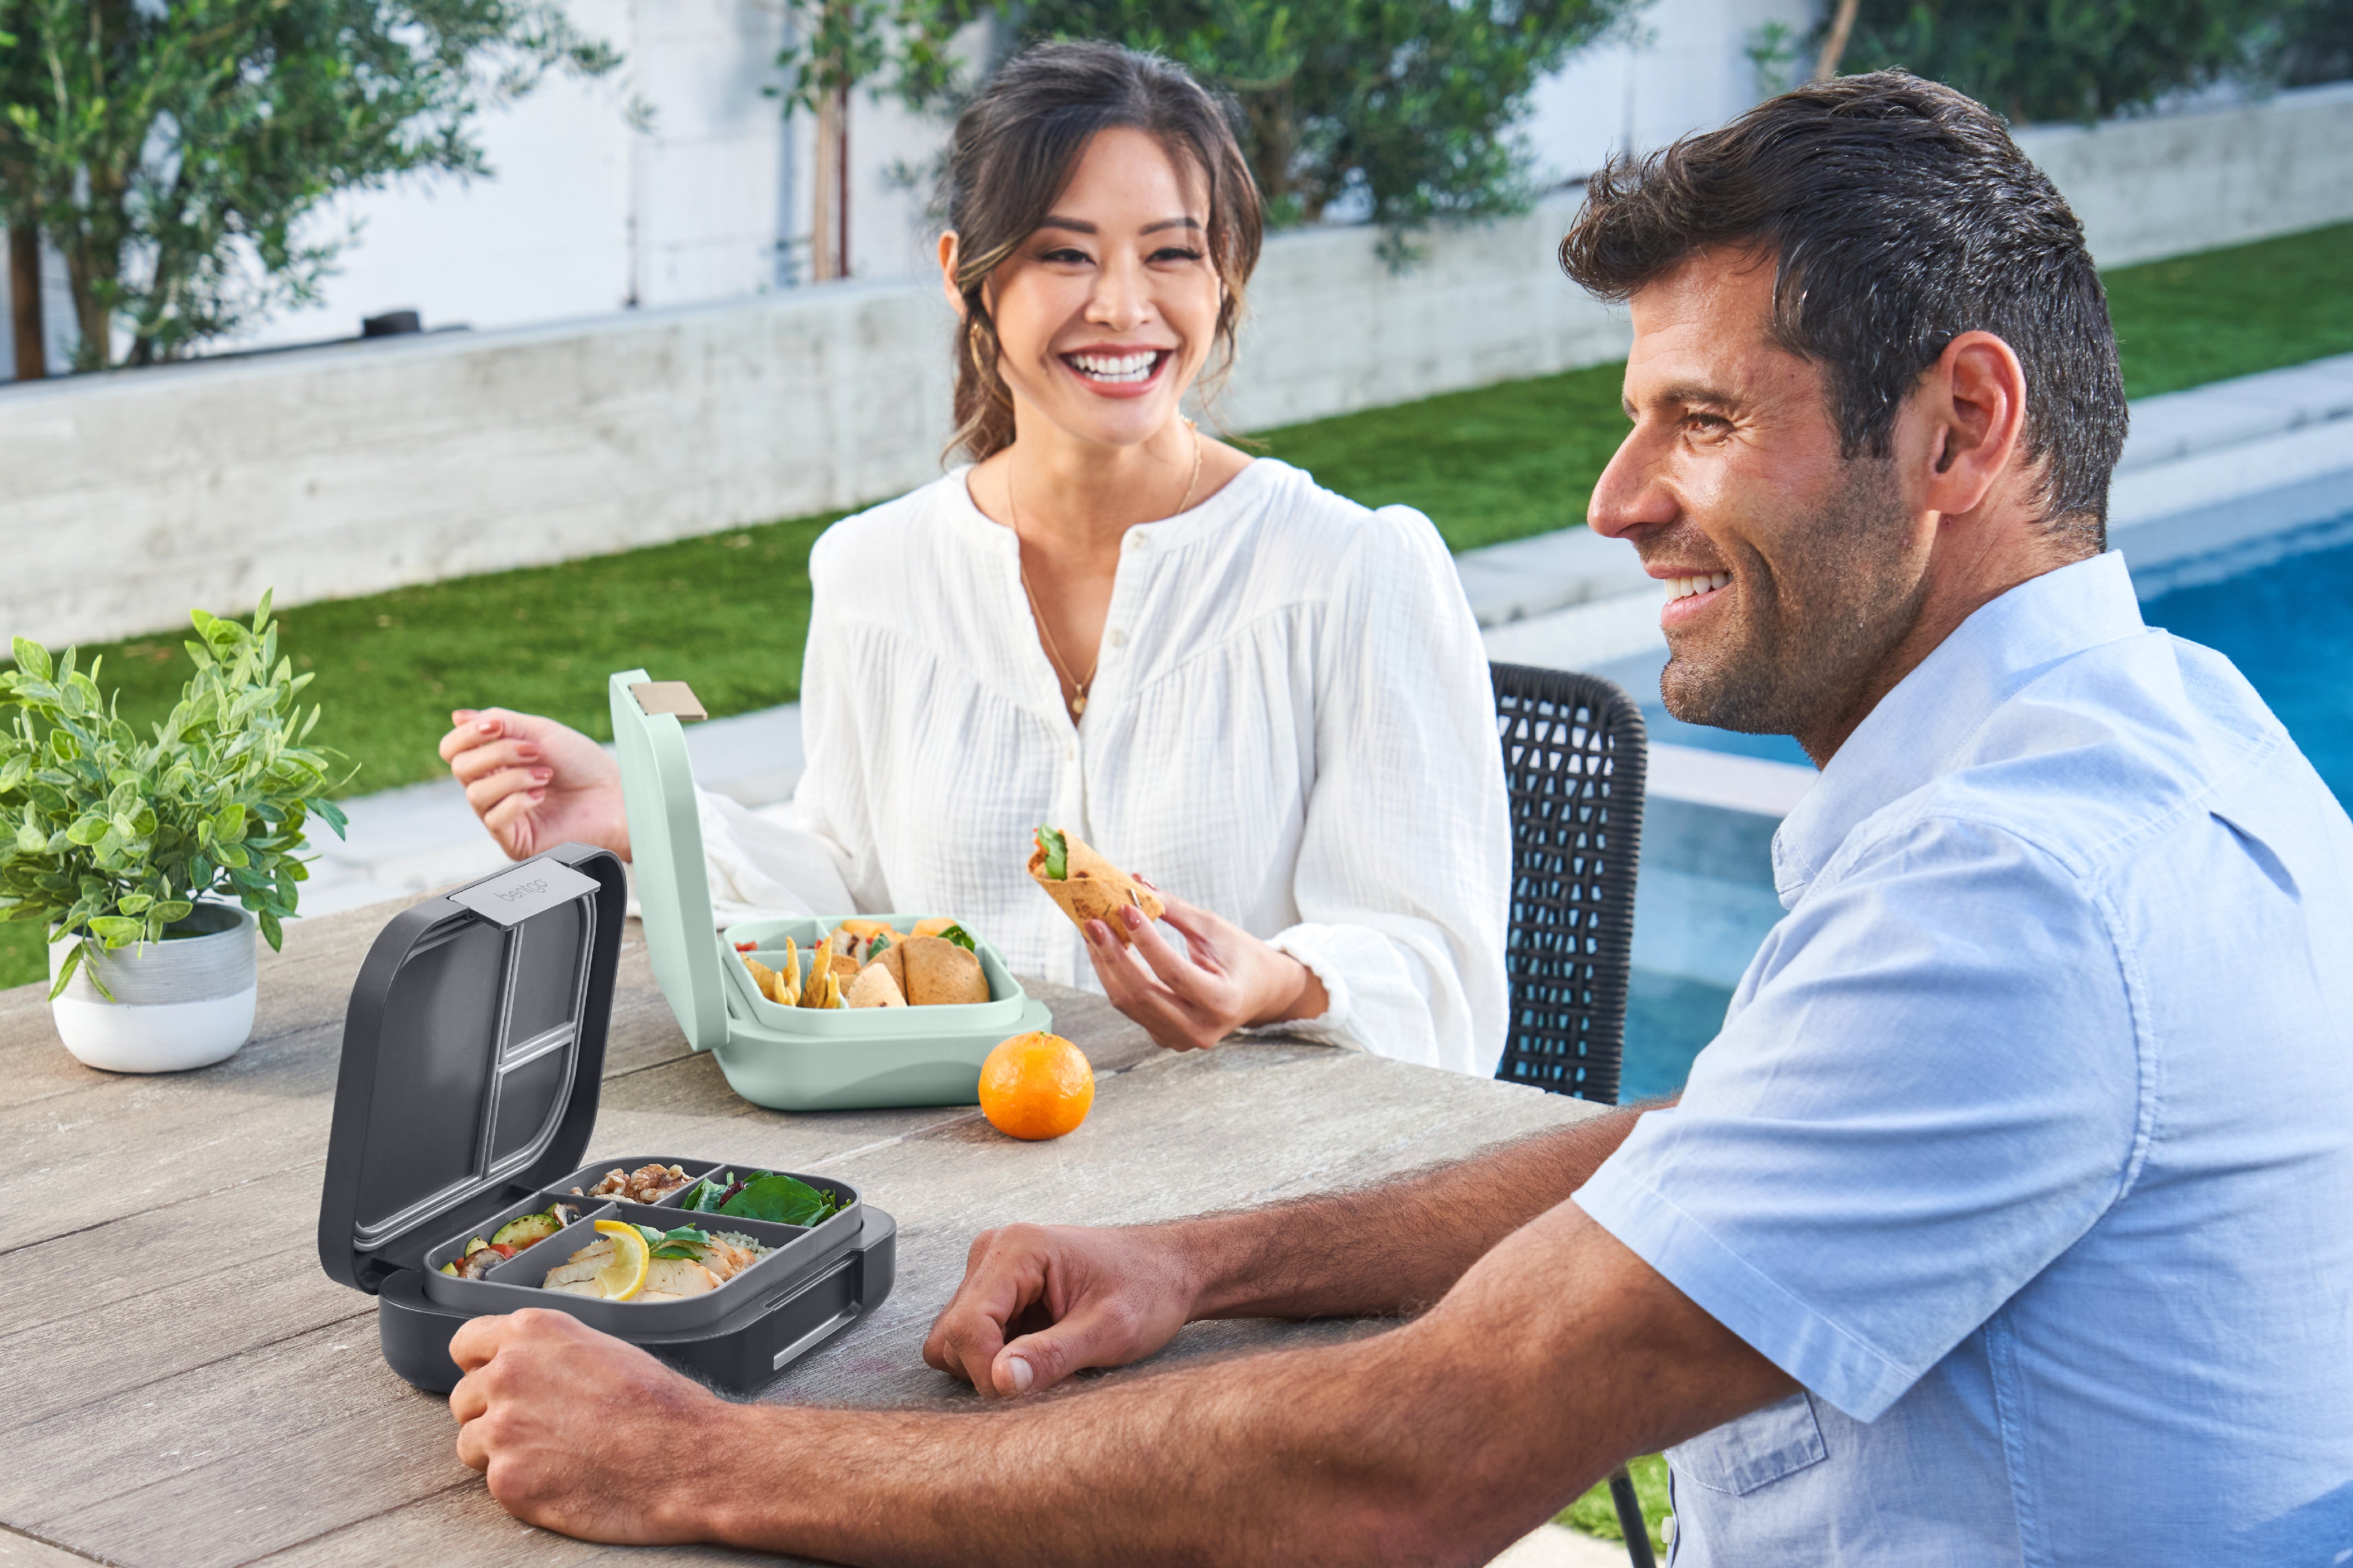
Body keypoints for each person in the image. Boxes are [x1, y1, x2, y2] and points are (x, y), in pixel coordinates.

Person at [446, 72, 2353, 1564]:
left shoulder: (2010, 891)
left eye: (1694, 420)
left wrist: (710, 1458)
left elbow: (1401, 1469)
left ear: (1954, 428)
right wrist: (1203, 1259)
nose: (1613, 501)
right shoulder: (2155, 738)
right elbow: (1693, 1136)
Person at [434, 41, 1509, 1075]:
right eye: (1065, 252)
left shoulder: (1354, 570)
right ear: (966, 276)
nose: (1125, 305)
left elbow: (1446, 979)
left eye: (1173, 252)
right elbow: (850, 888)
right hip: (958, 1170)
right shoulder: (872, 572)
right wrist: (642, 815)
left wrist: (1281, 981)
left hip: (1256, 1203)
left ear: (1225, 276)